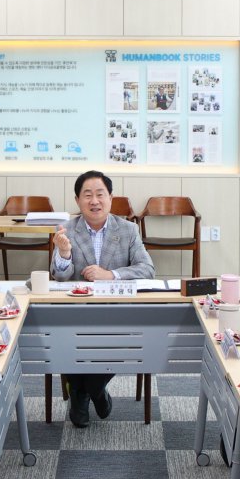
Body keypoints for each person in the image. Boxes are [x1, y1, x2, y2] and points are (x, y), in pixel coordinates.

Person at [50, 170, 155, 427]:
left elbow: (147, 269)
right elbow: (59, 278)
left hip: (118, 311)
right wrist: (64, 254)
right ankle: (92, 392)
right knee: (70, 337)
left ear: (110, 198)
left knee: (114, 337)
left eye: (100, 194)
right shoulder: (68, 230)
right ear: (77, 200)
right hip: (77, 311)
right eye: (87, 195)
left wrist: (111, 275)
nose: (94, 201)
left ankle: (85, 391)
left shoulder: (128, 229)